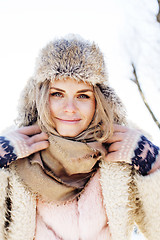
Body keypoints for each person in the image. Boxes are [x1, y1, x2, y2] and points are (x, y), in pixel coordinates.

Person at [0, 35, 160, 240]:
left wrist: (153, 162)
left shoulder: (125, 149)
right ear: (40, 97)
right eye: (57, 94)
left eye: (83, 95)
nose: (69, 109)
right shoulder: (13, 151)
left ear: (99, 101)